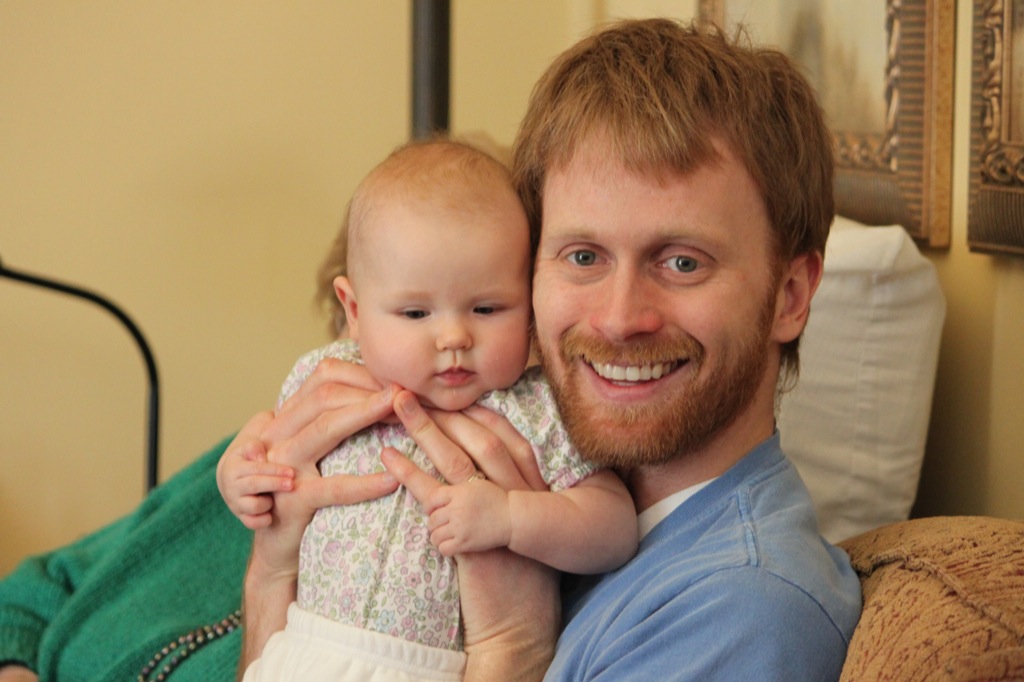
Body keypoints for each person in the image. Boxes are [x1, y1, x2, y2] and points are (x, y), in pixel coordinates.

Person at [0, 17, 862, 682]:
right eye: (582, 257)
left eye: (683, 262)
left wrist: (513, 647)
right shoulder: (364, 416)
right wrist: (271, 572)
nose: (618, 317)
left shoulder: (737, 609)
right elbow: (38, 596)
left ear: (792, 296)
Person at [220, 139, 637, 680]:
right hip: (302, 648)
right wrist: (238, 470)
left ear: (531, 307)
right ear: (354, 309)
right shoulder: (330, 374)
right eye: (416, 313)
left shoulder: (534, 408)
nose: (453, 337)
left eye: (487, 308)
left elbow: (614, 527)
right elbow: (264, 435)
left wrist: (511, 518)